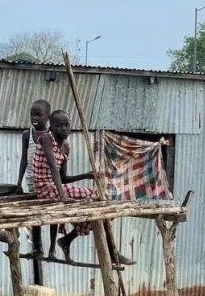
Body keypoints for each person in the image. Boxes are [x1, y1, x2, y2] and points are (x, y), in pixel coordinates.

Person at [33, 109, 133, 265]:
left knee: (99, 202)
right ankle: (112, 253)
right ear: (51, 127)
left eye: (67, 125)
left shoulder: (65, 146)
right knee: (97, 197)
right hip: (44, 188)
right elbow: (53, 168)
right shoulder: (46, 138)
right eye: (59, 126)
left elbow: (64, 178)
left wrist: (86, 175)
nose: (64, 128)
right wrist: (62, 196)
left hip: (56, 188)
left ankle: (68, 239)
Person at [15, 99, 52, 258]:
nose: (34, 118)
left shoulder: (51, 136)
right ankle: (38, 248)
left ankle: (51, 250)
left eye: (38, 114)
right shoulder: (27, 135)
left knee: (50, 215)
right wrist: (18, 183)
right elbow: (24, 159)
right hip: (32, 182)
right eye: (32, 114)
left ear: (47, 117)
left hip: (47, 182)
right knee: (36, 215)